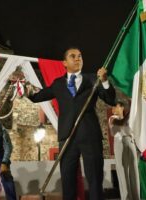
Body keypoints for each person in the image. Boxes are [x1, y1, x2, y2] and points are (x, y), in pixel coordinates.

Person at [28, 47, 116, 200]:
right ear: (64, 63)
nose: (77, 59)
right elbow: (37, 97)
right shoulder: (58, 84)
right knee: (68, 181)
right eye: (73, 56)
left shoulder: (92, 79)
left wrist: (105, 81)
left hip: (90, 135)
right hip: (67, 137)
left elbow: (110, 99)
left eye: (80, 56)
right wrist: (25, 88)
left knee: (95, 180)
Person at [108, 100, 140, 200]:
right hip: (120, 143)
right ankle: (127, 197)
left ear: (122, 108)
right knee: (123, 171)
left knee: (134, 170)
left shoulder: (129, 120)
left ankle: (136, 196)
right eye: (112, 107)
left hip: (130, 142)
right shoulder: (113, 118)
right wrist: (132, 110)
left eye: (115, 106)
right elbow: (121, 122)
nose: (113, 109)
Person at [0, 122, 17, 200]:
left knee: (7, 181)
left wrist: (4, 162)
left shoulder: (1, 129)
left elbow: (8, 146)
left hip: (1, 159)